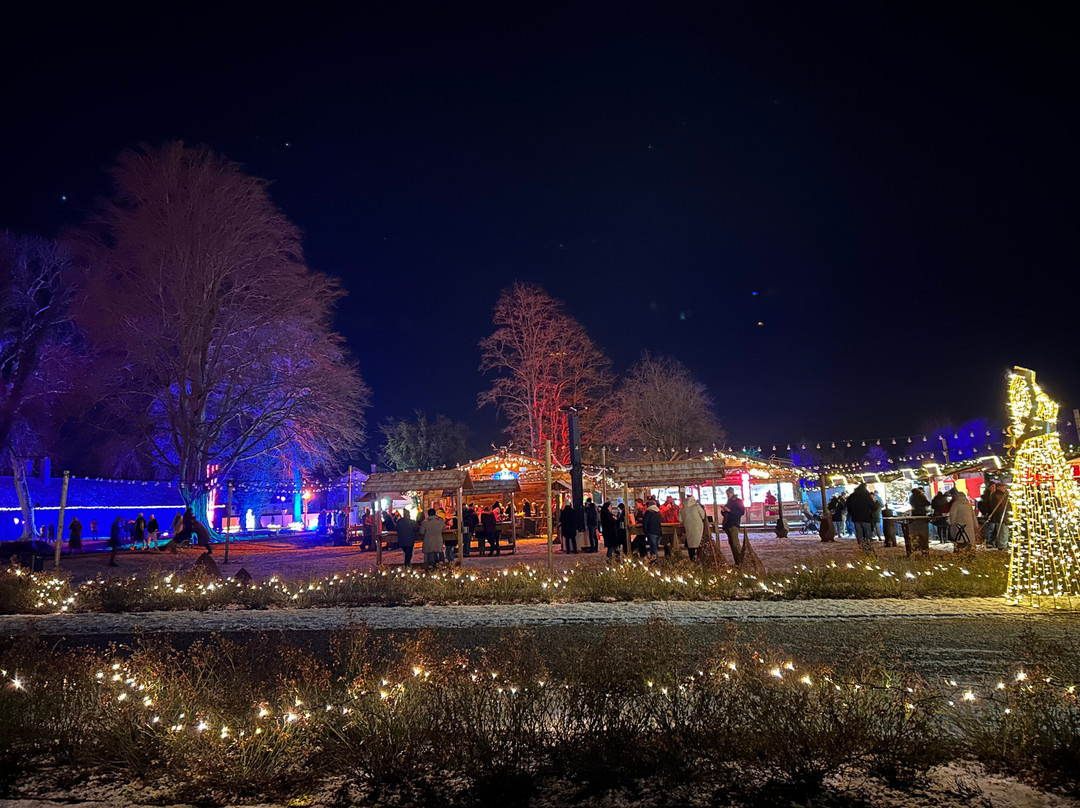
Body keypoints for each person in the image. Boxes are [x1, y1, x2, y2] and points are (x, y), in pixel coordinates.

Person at [846, 483, 876, 551]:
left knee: (859, 533)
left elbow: (848, 506)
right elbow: (873, 506)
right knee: (867, 533)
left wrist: (852, 513)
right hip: (866, 517)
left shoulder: (852, 496)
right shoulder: (866, 496)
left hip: (856, 518)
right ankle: (868, 546)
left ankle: (861, 546)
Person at [679, 494, 707, 561]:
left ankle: (692, 558)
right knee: (699, 541)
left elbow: (680, 520)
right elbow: (703, 516)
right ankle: (700, 558)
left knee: (691, 543)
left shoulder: (682, 509)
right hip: (698, 527)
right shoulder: (696, 507)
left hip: (688, 527)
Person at [721, 488, 745, 564]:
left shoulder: (738, 501)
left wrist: (730, 510)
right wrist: (723, 511)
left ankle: (741, 560)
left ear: (732, 493)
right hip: (728, 523)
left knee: (735, 543)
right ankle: (737, 561)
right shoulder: (729, 501)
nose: (727, 495)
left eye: (729, 493)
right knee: (732, 543)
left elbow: (741, 512)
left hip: (734, 523)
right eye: (727, 494)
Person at [907, 487, 932, 555]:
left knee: (915, 532)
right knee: (923, 532)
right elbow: (927, 503)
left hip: (914, 515)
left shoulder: (911, 497)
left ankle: (916, 546)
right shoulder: (921, 496)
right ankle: (924, 547)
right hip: (922, 515)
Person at [987, 482, 1010, 550]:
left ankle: (1001, 544)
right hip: (1001, 516)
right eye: (1002, 487)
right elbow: (999, 507)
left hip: (1001, 517)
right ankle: (1002, 545)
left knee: (1002, 531)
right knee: (1003, 531)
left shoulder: (1001, 495)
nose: (1004, 488)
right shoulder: (999, 496)